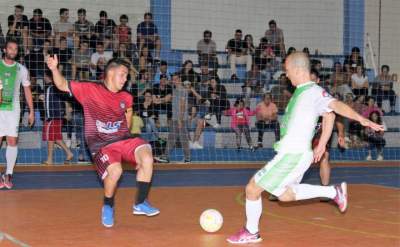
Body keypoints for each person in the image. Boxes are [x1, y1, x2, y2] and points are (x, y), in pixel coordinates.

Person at [226, 52, 384, 244]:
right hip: (294, 154)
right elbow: (329, 116)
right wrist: (323, 142)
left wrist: (362, 119)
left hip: (293, 155)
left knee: (252, 189)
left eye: (287, 70)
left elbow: (335, 106)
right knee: (284, 195)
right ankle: (334, 192)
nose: (286, 74)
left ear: (298, 70)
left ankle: (251, 231)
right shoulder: (302, 91)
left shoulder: (312, 91)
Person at [46, 55, 160, 227]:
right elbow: (62, 85)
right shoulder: (90, 89)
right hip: (100, 145)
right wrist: (54, 68)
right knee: (115, 172)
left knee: (147, 157)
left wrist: (130, 147)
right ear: (110, 73)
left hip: (123, 139)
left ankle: (140, 203)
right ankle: (108, 205)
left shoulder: (126, 97)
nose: (125, 79)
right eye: (122, 74)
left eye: (127, 76)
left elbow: (128, 116)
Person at [0, 39, 34, 189]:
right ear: (5, 50)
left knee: (12, 141)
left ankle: (8, 174)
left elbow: (27, 91)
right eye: (10, 48)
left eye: (15, 49)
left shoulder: (22, 69)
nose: (13, 51)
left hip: (13, 110)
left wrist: (32, 111)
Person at [42, 69, 73, 165]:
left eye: (44, 76)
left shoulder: (50, 88)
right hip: (57, 116)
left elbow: (50, 105)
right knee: (56, 138)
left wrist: (48, 116)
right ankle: (68, 153)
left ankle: (50, 159)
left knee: (51, 138)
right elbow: (63, 100)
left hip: (53, 117)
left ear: (48, 77)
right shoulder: (56, 87)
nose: (43, 78)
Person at [162, 73, 191, 163]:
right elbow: (168, 82)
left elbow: (182, 105)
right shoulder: (175, 90)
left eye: (176, 79)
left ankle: (187, 159)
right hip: (175, 118)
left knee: (183, 139)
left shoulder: (182, 90)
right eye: (173, 79)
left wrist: (180, 119)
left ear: (180, 79)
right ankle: (165, 157)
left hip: (180, 119)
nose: (174, 81)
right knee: (172, 138)